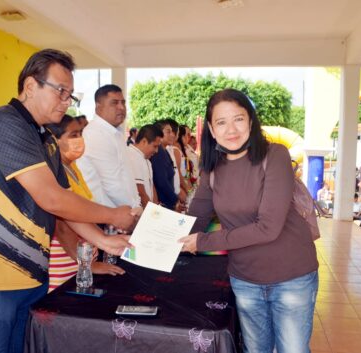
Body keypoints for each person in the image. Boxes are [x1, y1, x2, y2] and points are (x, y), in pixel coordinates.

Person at [0, 49, 136, 353]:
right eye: (61, 91)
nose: (66, 101)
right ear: (30, 86)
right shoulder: (1, 122)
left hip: (31, 270)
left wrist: (100, 240)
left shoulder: (45, 137)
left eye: (71, 95)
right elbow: (51, 198)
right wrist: (113, 216)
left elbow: (63, 203)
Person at [179, 89, 318, 353]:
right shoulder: (211, 167)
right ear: (211, 128)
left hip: (292, 275)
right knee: (255, 350)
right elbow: (195, 220)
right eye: (221, 122)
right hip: (244, 278)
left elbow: (268, 227)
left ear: (251, 121)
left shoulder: (275, 155)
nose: (231, 129)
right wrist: (150, 232)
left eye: (238, 119)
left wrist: (203, 242)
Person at [46, 115, 125, 292]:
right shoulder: (54, 171)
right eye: (73, 135)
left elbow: (83, 212)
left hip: (81, 258)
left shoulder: (72, 168)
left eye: (80, 133)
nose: (80, 139)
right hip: (66, 260)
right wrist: (88, 264)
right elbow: (62, 223)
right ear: (54, 141)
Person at [76, 84, 140, 208]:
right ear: (98, 107)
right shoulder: (96, 134)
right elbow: (112, 185)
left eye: (123, 102)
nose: (121, 107)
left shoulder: (115, 132)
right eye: (114, 103)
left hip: (122, 212)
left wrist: (137, 205)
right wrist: (135, 210)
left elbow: (126, 176)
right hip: (106, 216)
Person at [126, 124, 163, 207]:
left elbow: (151, 186)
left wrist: (156, 207)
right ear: (144, 141)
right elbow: (140, 191)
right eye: (155, 146)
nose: (156, 151)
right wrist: (152, 214)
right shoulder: (132, 156)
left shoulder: (145, 159)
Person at [150, 120, 180, 210]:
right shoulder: (158, 152)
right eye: (168, 132)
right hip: (164, 204)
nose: (173, 135)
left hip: (168, 202)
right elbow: (161, 181)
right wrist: (175, 199)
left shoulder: (164, 150)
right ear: (159, 133)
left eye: (172, 132)